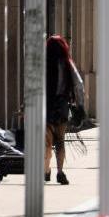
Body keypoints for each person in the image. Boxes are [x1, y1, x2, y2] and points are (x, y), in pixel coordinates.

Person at [45, 35, 83, 185]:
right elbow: (79, 84)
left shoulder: (43, 63)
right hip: (61, 105)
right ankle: (60, 171)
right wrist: (80, 106)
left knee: (46, 141)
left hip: (45, 104)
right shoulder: (67, 64)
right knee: (60, 140)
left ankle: (46, 170)